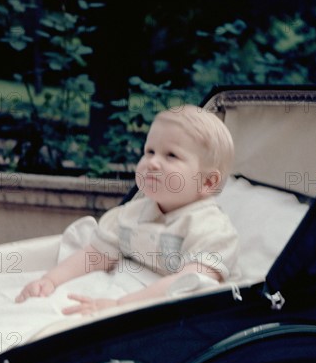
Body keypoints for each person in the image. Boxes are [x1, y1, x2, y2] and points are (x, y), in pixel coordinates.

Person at [16, 104, 239, 315]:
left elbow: (189, 284)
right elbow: (98, 254)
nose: (152, 163)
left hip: (158, 314)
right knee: (41, 309)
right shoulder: (133, 212)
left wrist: (119, 306)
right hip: (114, 287)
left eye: (171, 155)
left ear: (208, 182)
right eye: (149, 151)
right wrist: (51, 280)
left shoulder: (212, 230)